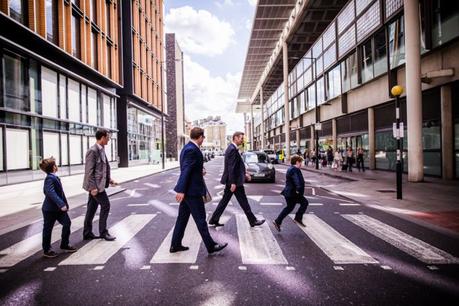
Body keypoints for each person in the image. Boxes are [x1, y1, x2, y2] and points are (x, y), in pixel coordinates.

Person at [171, 127, 227, 254]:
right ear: (200, 137)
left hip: (189, 190)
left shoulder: (188, 147)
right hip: (192, 191)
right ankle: (211, 246)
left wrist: (200, 171)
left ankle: (175, 244)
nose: (204, 139)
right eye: (203, 137)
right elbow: (186, 170)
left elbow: (191, 168)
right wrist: (181, 190)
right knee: (201, 220)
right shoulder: (192, 149)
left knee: (182, 219)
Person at [209, 131, 265, 227]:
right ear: (235, 138)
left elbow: (237, 166)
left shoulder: (233, 148)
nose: (242, 140)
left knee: (226, 201)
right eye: (241, 138)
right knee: (243, 201)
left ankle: (214, 219)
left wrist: (245, 173)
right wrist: (233, 183)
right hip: (234, 182)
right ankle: (252, 220)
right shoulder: (232, 149)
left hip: (233, 181)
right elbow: (232, 167)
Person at [82, 129, 118, 241]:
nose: (109, 139)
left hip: (99, 185)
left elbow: (103, 169)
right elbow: (89, 171)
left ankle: (87, 233)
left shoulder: (101, 150)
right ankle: (103, 232)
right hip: (96, 187)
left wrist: (109, 180)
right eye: (108, 137)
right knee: (106, 205)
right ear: (102, 137)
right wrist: (92, 187)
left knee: (91, 209)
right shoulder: (92, 151)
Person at [40, 157, 77, 258]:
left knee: (67, 223)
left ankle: (64, 244)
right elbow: (50, 192)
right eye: (55, 165)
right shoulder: (49, 178)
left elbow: (55, 192)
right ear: (53, 167)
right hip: (50, 210)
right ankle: (47, 250)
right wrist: (61, 204)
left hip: (58, 209)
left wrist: (65, 204)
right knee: (48, 229)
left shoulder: (53, 177)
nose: (57, 166)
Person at [272, 155, 308, 231]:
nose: (301, 164)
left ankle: (277, 221)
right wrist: (298, 189)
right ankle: (298, 218)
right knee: (304, 203)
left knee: (289, 208)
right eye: (301, 162)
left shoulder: (290, 168)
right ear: (297, 162)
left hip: (289, 193)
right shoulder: (295, 170)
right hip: (293, 193)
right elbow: (297, 180)